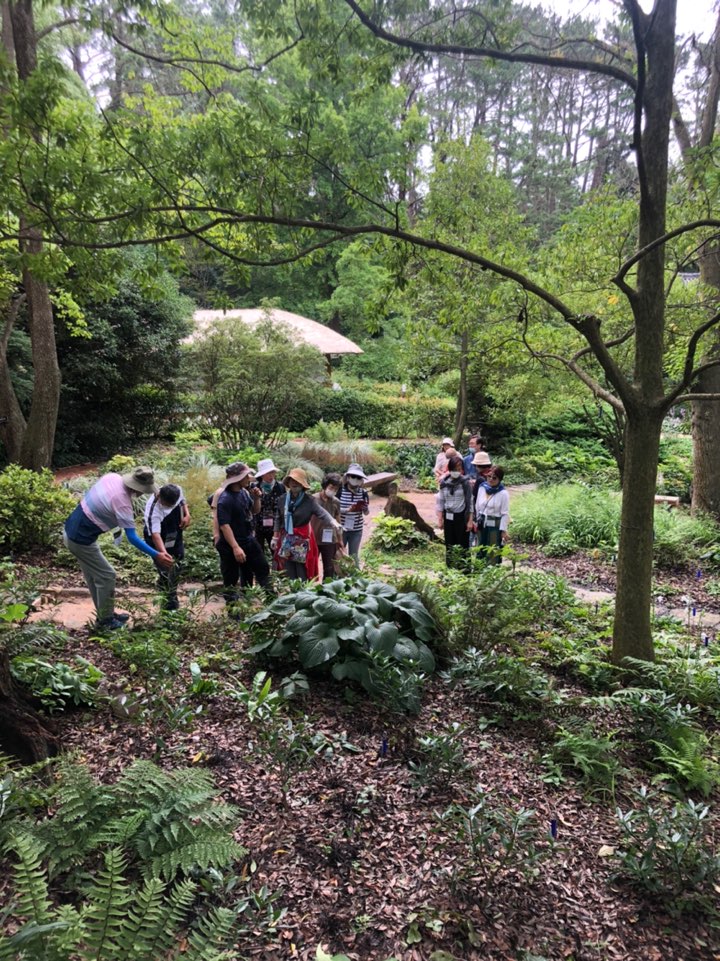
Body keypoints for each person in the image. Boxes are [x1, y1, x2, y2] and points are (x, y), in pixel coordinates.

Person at [63, 465, 173, 630]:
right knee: (107, 575)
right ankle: (105, 622)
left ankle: (104, 613)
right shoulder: (122, 503)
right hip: (80, 540)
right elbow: (132, 538)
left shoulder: (112, 477)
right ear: (138, 488)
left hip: (72, 529)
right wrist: (156, 555)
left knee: (95, 576)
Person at [212, 462, 269, 606]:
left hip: (248, 539)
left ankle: (272, 603)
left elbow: (254, 511)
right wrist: (235, 547)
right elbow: (224, 525)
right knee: (231, 578)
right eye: (246, 476)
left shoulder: (244, 493)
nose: (249, 478)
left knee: (262, 568)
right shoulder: (225, 499)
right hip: (231, 544)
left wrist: (256, 498)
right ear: (236, 478)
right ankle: (233, 612)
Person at [272, 468, 339, 581]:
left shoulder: (309, 500)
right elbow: (278, 518)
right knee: (288, 567)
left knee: (301, 568)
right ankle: (292, 593)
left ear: (303, 485)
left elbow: (322, 513)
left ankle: (302, 593)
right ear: (288, 483)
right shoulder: (282, 499)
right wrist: (275, 537)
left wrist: (333, 522)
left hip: (302, 539)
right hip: (286, 537)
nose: (294, 483)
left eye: (297, 481)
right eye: (292, 480)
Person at [143, 483, 190, 611]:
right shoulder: (153, 510)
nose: (171, 507)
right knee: (165, 567)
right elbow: (155, 535)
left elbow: (182, 501)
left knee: (178, 564)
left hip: (174, 531)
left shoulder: (177, 489)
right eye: (168, 505)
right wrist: (163, 554)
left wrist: (187, 514)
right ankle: (168, 602)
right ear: (161, 498)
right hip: (157, 536)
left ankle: (172, 590)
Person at [437, 455, 474, 570]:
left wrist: (470, 520)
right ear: (450, 469)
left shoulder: (465, 483)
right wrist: (440, 518)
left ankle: (464, 571)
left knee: (462, 544)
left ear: (462, 469)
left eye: (459, 469)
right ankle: (451, 570)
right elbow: (441, 501)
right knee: (449, 544)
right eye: (454, 469)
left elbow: (470, 502)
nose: (456, 472)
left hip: (461, 517)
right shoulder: (444, 483)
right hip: (448, 517)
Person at [252, 458, 285, 565]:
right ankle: (262, 576)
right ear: (262, 475)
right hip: (258, 526)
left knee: (277, 552)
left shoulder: (280, 487)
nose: (271, 476)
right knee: (258, 552)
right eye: (268, 473)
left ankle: (279, 574)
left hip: (275, 527)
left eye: (272, 472)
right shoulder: (255, 487)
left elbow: (283, 507)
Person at [475, 465, 510, 565]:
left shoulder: (503, 493)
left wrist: (503, 530)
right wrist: (476, 520)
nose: (491, 479)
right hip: (482, 522)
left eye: (494, 477)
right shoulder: (482, 488)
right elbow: (477, 505)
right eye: (489, 476)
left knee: (493, 548)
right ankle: (479, 569)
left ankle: (492, 571)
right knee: (480, 546)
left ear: (499, 479)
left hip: (495, 524)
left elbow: (505, 513)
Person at [311, 473, 344, 580]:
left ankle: (327, 590)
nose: (333, 490)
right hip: (314, 539)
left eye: (336, 489)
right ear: (325, 486)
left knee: (329, 568)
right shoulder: (313, 499)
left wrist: (340, 539)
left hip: (330, 540)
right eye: (331, 487)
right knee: (311, 566)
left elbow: (338, 520)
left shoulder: (336, 502)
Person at [339, 463, 370, 565]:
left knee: (354, 555)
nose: (355, 479)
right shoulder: (340, 491)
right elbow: (334, 509)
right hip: (341, 529)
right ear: (347, 477)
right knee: (339, 554)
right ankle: (338, 578)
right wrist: (347, 510)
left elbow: (366, 513)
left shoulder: (363, 493)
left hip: (356, 529)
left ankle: (355, 578)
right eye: (353, 476)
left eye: (358, 477)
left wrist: (365, 509)